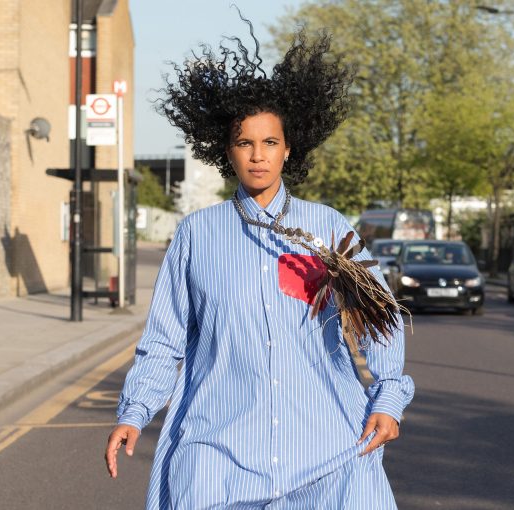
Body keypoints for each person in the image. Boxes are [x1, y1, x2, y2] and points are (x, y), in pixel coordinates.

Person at [104, 19, 414, 509]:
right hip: (220, 452)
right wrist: (134, 411)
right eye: (245, 142)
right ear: (226, 151)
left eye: (270, 142)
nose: (258, 156)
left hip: (326, 449)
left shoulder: (327, 228)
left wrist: (389, 400)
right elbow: (165, 338)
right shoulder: (196, 235)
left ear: (289, 149)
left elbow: (382, 320)